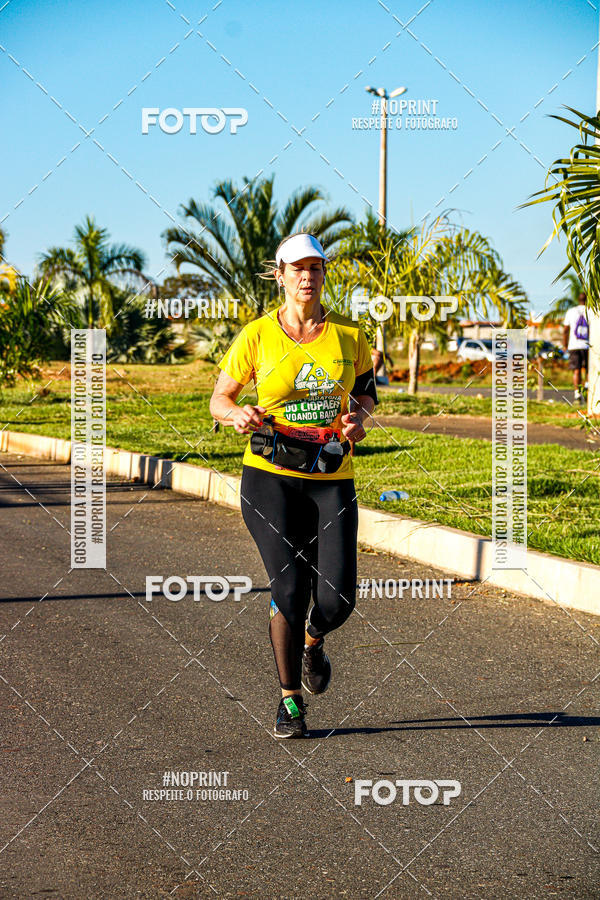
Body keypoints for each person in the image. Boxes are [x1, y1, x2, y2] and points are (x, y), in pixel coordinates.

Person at [209, 232, 378, 738]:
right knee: (289, 585)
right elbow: (219, 398)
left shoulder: (349, 333)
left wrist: (358, 421)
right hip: (271, 476)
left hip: (331, 475)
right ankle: (290, 701)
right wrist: (237, 413)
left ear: (325, 275)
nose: (307, 277)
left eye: (316, 269)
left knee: (337, 600)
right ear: (280, 276)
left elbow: (367, 394)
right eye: (297, 269)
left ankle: (313, 641)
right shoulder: (257, 335)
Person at [563, 291, 589, 405]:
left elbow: (565, 330)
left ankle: (577, 394)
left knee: (576, 370)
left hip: (574, 345)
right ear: (587, 300)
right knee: (589, 370)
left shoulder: (571, 311)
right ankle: (587, 389)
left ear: (578, 300)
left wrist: (564, 344)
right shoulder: (592, 311)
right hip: (588, 345)